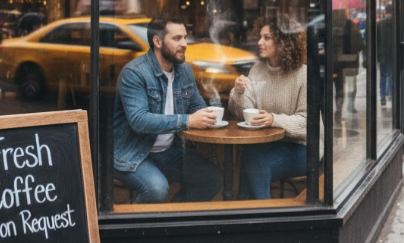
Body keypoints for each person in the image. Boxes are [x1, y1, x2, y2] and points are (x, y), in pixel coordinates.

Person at [113, 16, 222, 203]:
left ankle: (177, 215)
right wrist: (188, 120)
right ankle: (130, 227)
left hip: (171, 151)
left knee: (213, 178)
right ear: (157, 41)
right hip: (135, 154)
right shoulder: (135, 73)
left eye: (185, 38)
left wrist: (213, 112)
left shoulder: (184, 71)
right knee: (156, 189)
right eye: (177, 38)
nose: (185, 44)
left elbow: (197, 107)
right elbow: (139, 120)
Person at [228, 16, 317, 199]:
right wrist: (238, 92)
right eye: (260, 37)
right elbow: (242, 112)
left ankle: (261, 217)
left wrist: (273, 119)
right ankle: (248, 217)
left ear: (285, 41)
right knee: (250, 155)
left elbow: (308, 122)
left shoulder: (303, 75)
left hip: (302, 148)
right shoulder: (257, 70)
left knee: (255, 164)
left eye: (267, 38)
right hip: (267, 143)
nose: (260, 42)